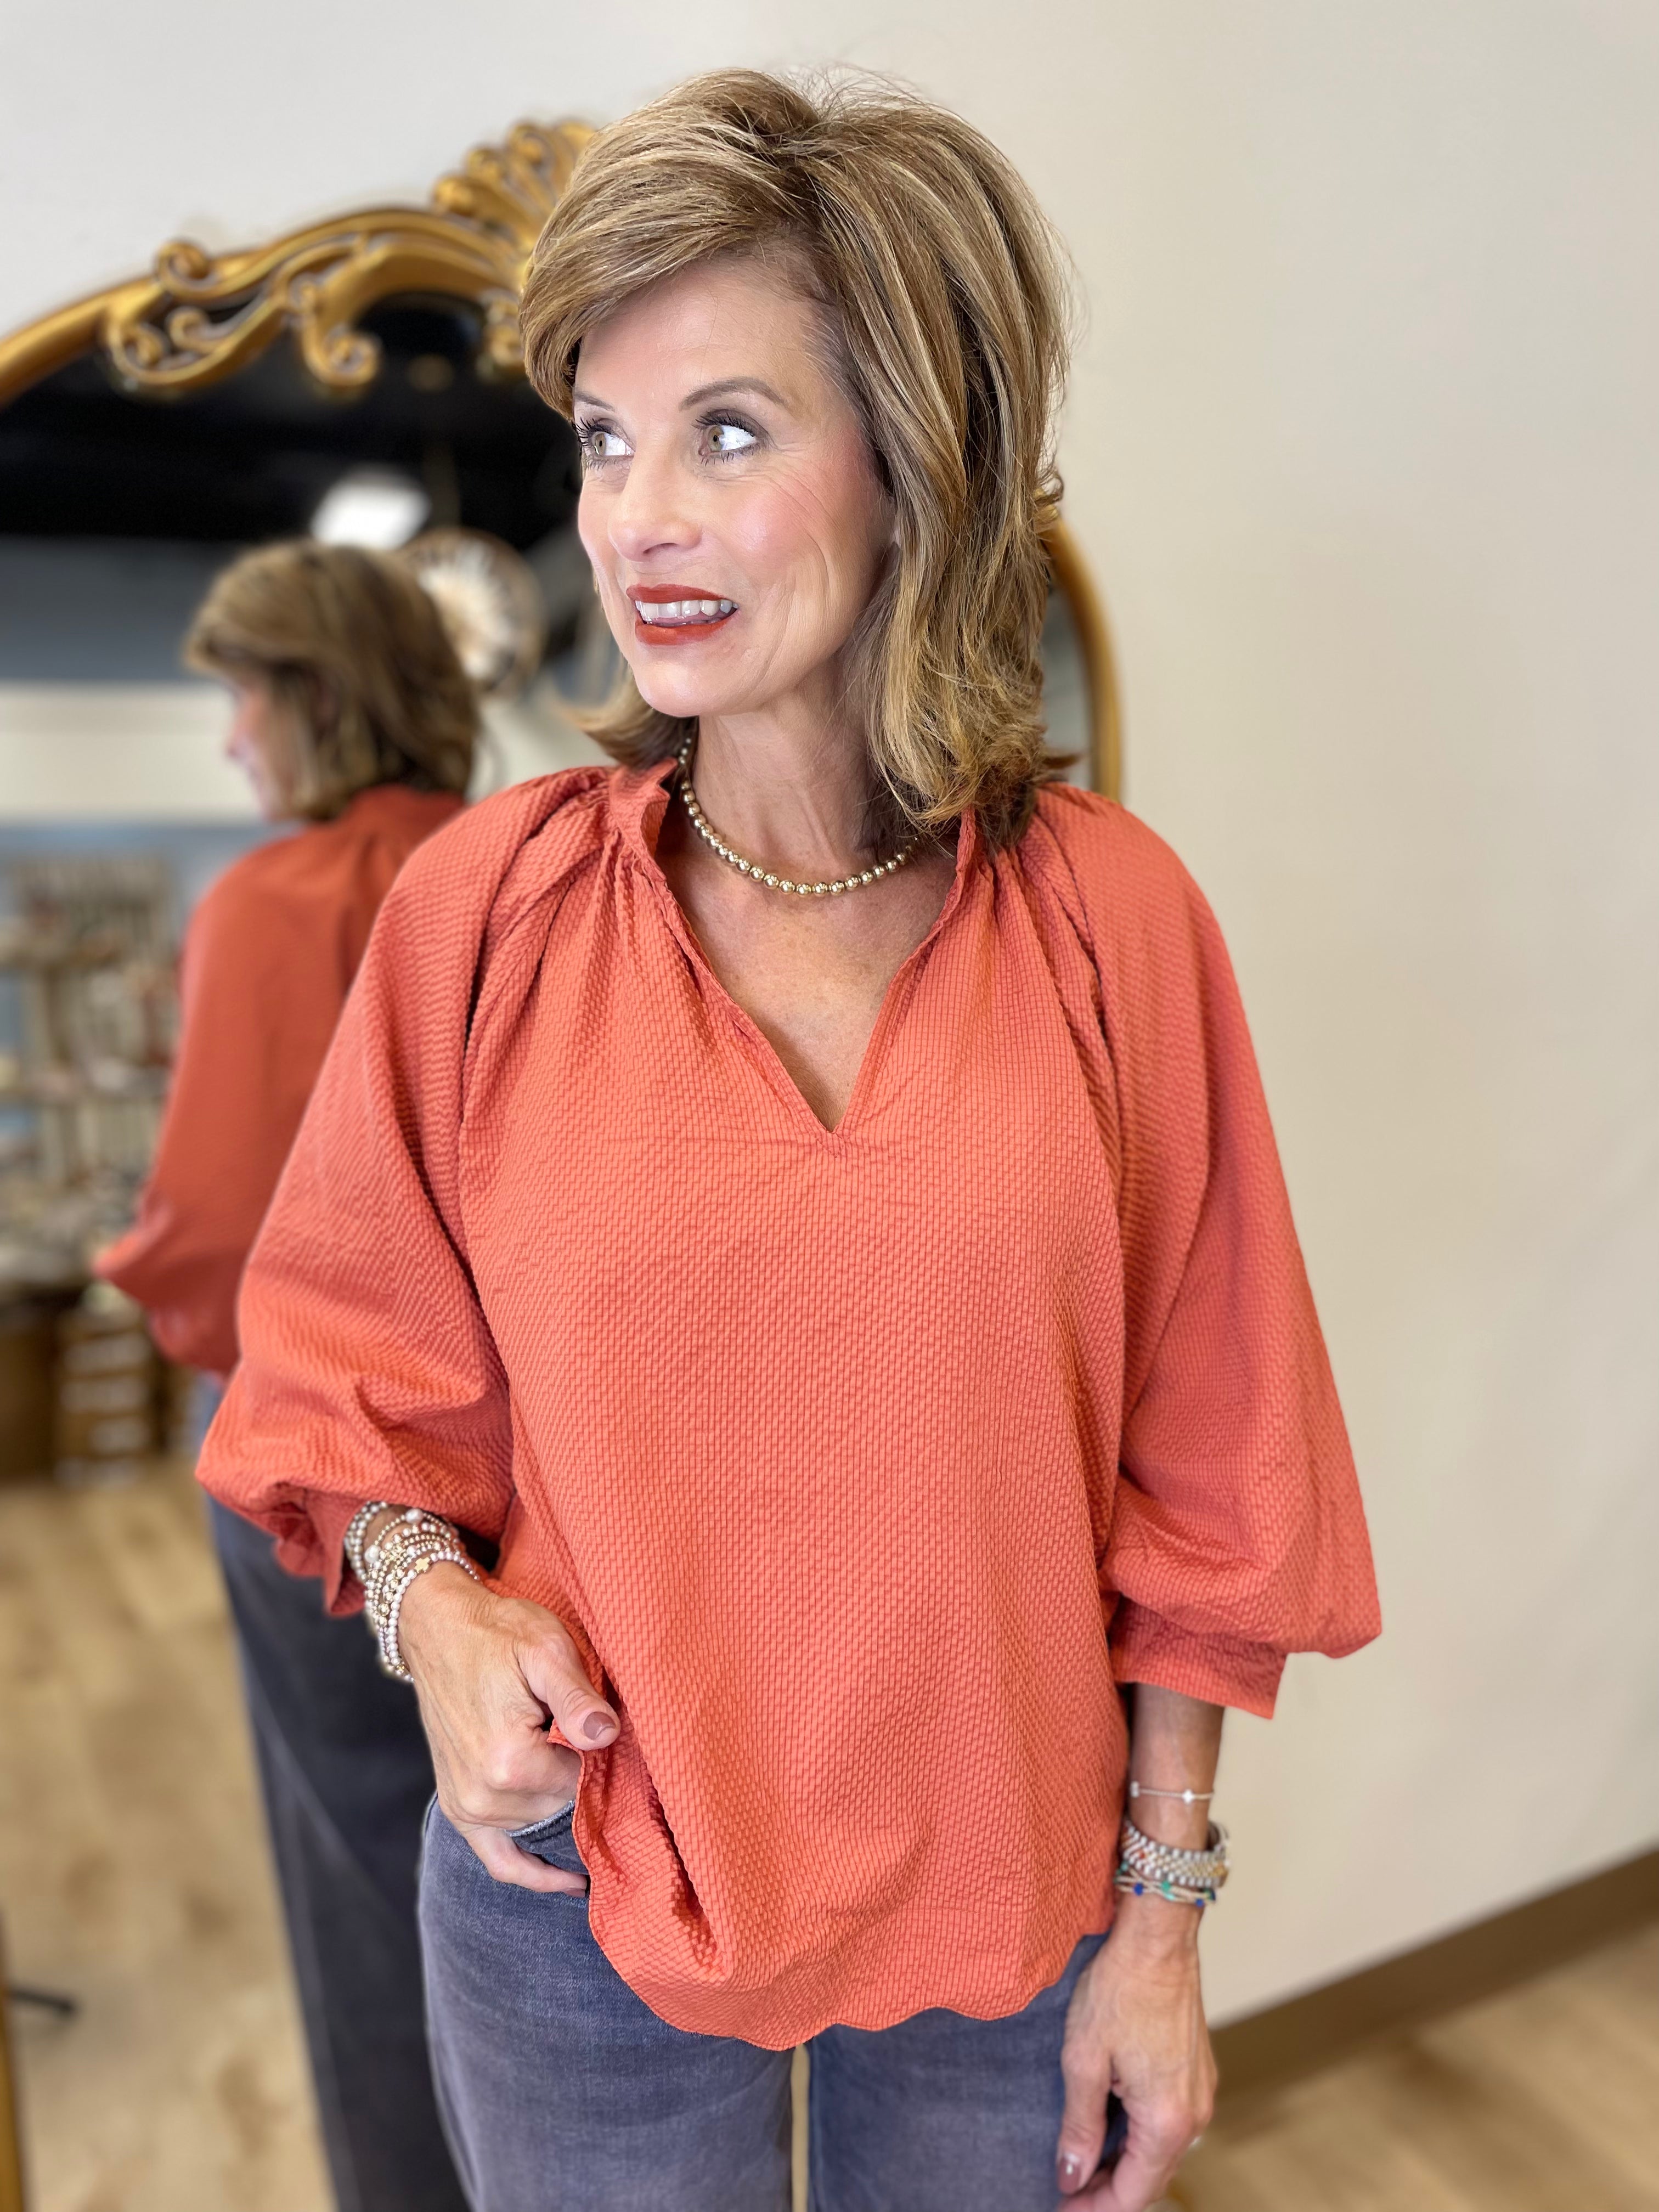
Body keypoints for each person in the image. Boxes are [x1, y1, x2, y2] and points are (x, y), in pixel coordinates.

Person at [199, 73, 1381, 2212]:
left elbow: (1215, 1477)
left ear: (913, 461)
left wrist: (1164, 1924)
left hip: (1018, 1909)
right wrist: (430, 1609)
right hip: (576, 1898)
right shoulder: (488, 914)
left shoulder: (1110, 926)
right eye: (605, 439)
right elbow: (344, 1387)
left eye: (728, 433)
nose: (637, 517)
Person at [98, 540, 475, 2212]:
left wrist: (132, 1269)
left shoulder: (272, 904)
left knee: (363, 1867)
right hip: (523, 1464)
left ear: (315, 697)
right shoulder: (520, 863)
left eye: (245, 697)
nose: (232, 736)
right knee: (527, 1863)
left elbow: (214, 1245)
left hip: (321, 1463)